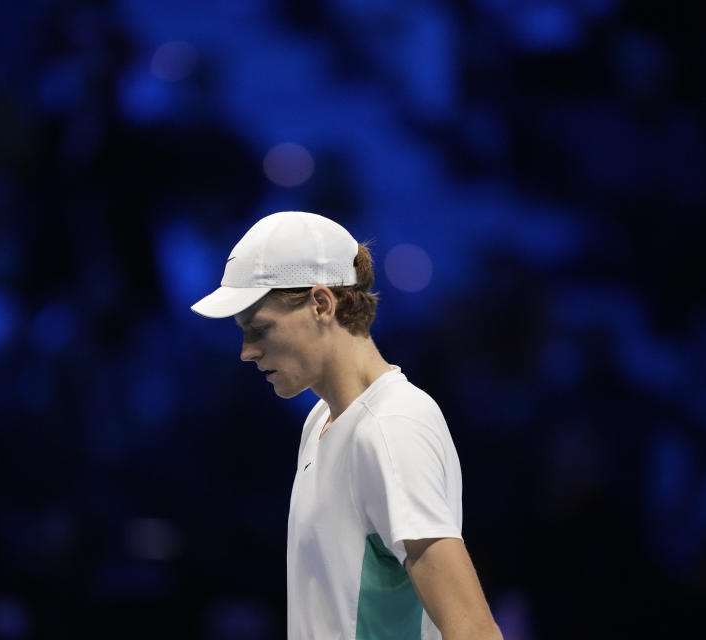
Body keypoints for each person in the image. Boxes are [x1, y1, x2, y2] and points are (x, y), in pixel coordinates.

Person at [192, 211, 502, 640]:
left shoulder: (393, 427)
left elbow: (474, 631)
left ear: (322, 304)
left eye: (260, 329)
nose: (247, 351)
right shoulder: (322, 419)